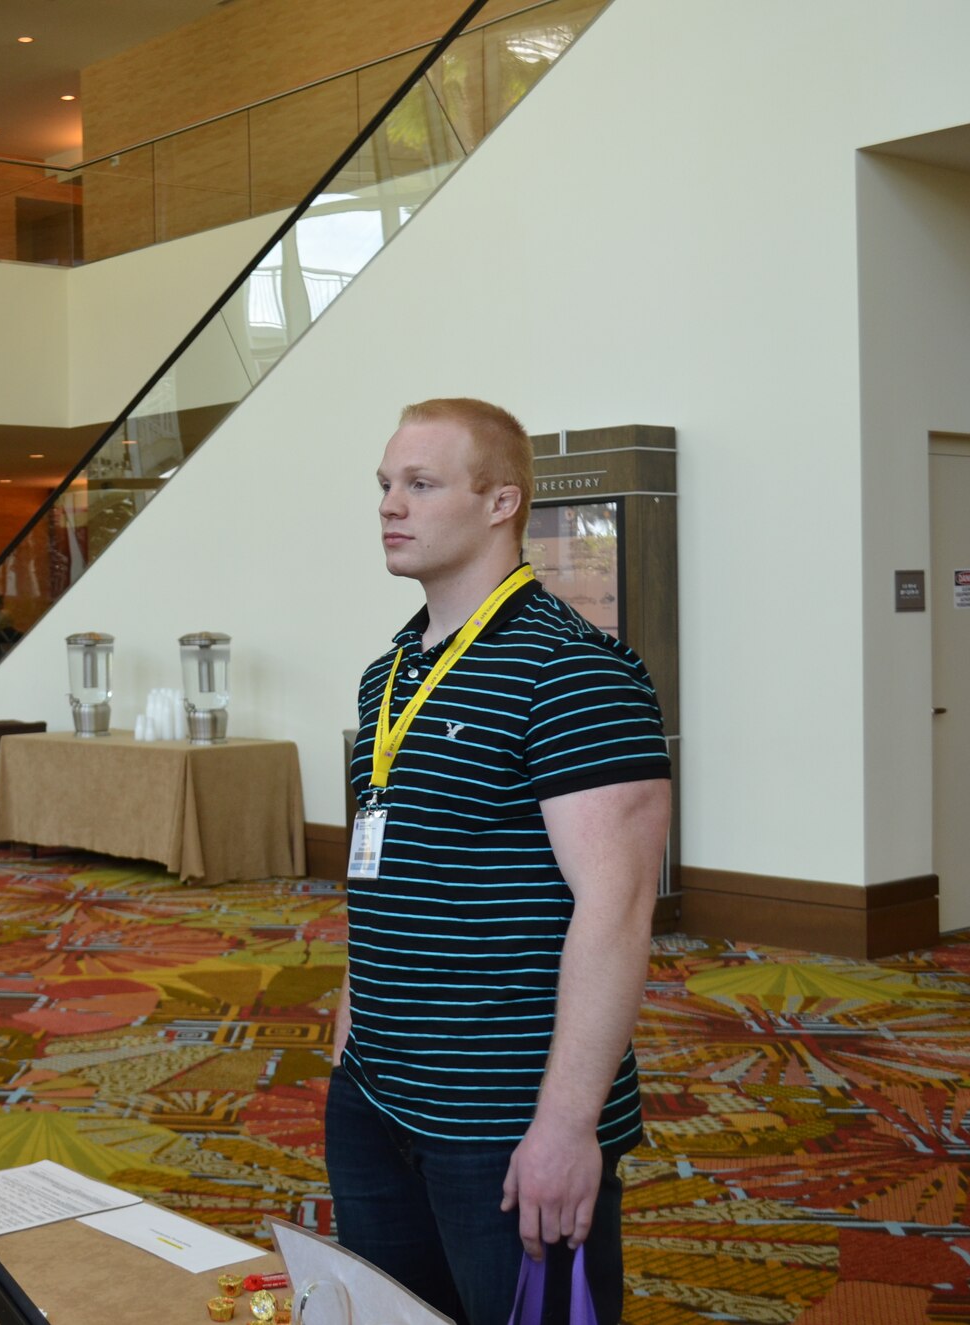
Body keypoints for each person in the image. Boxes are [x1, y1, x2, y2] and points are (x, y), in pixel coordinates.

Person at [329, 398, 670, 1325]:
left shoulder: (575, 672)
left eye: (421, 483)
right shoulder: (389, 671)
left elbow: (617, 909)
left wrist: (566, 1124)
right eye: (385, 484)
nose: (390, 504)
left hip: (506, 1109)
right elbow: (392, 861)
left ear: (500, 502)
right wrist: (355, 1021)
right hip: (376, 1089)